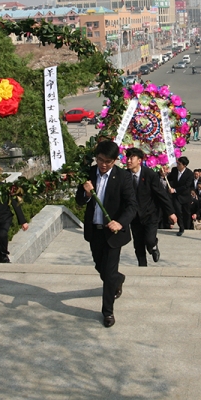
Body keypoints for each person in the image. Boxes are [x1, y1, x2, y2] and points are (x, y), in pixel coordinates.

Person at [75, 140, 138, 327]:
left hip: (113, 233)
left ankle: (108, 312)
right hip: (95, 231)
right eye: (101, 160)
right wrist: (86, 194)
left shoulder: (123, 177)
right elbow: (79, 200)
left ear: (115, 160)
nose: (103, 164)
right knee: (100, 268)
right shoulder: (88, 174)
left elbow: (132, 206)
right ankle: (118, 279)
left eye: (108, 161)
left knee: (108, 274)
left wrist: (120, 222)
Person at [125, 147, 177, 266]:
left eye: (131, 158)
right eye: (127, 158)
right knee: (138, 244)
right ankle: (142, 266)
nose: (128, 160)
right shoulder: (125, 175)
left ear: (139, 160)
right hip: (134, 216)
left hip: (150, 214)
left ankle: (153, 246)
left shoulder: (149, 175)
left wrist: (171, 212)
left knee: (149, 239)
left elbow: (161, 194)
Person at [167, 156, 194, 236]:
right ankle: (181, 227)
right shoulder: (174, 170)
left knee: (186, 213)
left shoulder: (189, 173)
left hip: (185, 196)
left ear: (184, 165)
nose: (177, 165)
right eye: (177, 163)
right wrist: (165, 175)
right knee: (178, 212)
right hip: (176, 197)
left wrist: (175, 190)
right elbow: (169, 178)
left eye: (179, 164)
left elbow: (186, 186)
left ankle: (188, 226)